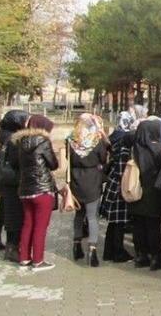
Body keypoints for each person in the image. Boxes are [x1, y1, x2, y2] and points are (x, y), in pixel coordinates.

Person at [9, 114, 58, 272]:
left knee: (28, 224)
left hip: (25, 189)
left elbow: (15, 164)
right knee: (40, 227)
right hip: (42, 189)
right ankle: (38, 261)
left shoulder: (20, 142)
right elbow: (53, 164)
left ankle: (24, 258)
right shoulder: (43, 141)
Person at [67, 113, 109, 267]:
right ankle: (92, 249)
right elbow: (103, 158)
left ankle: (77, 243)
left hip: (76, 179)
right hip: (93, 178)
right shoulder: (96, 141)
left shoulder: (71, 140)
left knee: (79, 214)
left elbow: (67, 158)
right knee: (92, 216)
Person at [129, 118, 161, 271]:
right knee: (153, 227)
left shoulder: (134, 149)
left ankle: (141, 255)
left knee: (138, 225)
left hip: (135, 191)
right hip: (154, 193)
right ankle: (156, 258)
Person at [0, 110, 31, 262]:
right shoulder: (12, 138)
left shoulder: (3, 134)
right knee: (14, 214)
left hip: (5, 180)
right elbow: (16, 161)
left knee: (5, 211)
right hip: (13, 181)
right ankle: (12, 247)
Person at [100, 112, 136, 263]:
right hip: (118, 191)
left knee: (113, 224)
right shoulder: (125, 154)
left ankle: (108, 252)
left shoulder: (118, 149)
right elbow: (124, 174)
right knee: (119, 224)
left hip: (112, 189)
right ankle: (118, 252)